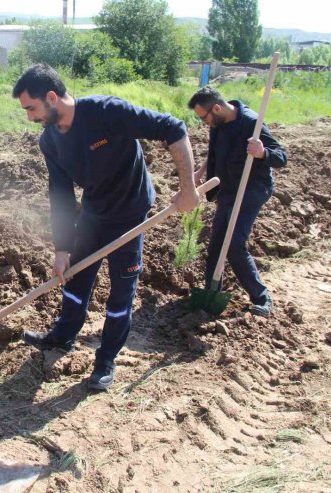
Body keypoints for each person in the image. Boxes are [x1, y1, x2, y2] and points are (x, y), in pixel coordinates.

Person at [12, 63, 200, 391]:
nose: (30, 117)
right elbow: (61, 196)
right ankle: (63, 336)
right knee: (75, 276)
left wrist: (187, 189)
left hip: (130, 212)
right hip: (94, 213)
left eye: (32, 108)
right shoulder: (50, 142)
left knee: (121, 291)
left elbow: (174, 128)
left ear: (52, 97)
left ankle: (106, 359)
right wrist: (61, 248)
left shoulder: (106, 112)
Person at [188, 86, 287, 317]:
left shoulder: (252, 123)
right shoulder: (218, 124)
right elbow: (214, 152)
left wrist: (262, 152)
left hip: (252, 189)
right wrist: (200, 173)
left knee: (233, 245)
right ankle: (212, 293)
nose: (205, 123)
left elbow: (281, 157)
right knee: (215, 246)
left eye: (204, 118)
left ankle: (261, 297)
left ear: (217, 108)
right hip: (229, 189)